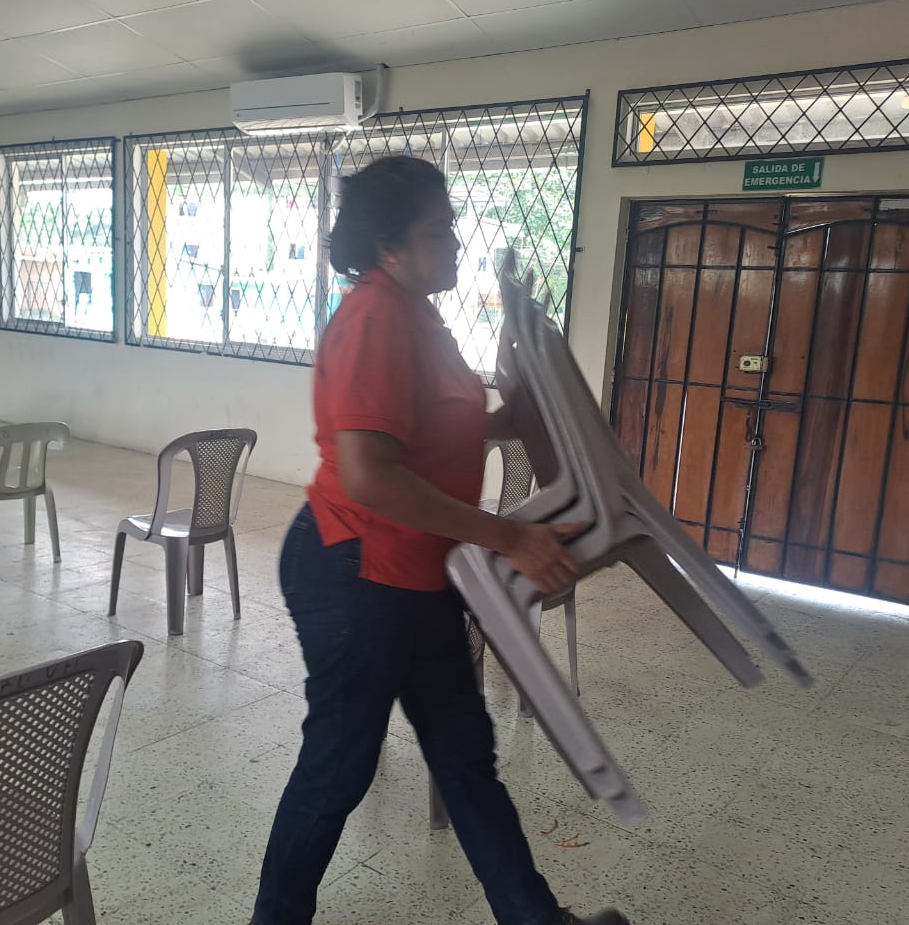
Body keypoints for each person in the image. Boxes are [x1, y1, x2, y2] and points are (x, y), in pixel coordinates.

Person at [251, 156, 629, 925]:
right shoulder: (374, 320)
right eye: (438, 231)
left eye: (451, 226)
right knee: (339, 767)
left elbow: (428, 428)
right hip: (357, 569)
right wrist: (510, 536)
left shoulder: (419, 315)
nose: (455, 242)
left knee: (463, 756)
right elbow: (370, 475)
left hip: (421, 571)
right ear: (389, 247)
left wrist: (505, 419)